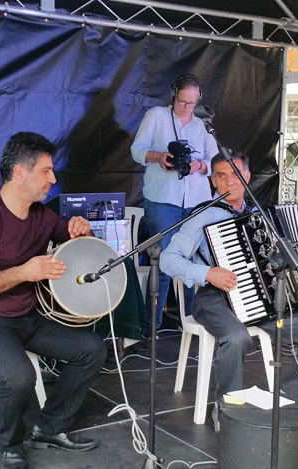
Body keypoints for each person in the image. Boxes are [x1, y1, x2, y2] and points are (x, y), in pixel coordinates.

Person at [0, 132, 106, 469]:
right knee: (21, 376)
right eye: (46, 171)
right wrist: (24, 272)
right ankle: (7, 445)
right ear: (20, 173)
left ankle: (48, 427)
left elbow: (81, 247)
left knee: (92, 349)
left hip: (27, 317)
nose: (53, 178)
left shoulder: (42, 215)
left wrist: (85, 230)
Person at [160, 150, 298, 431]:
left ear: (247, 177)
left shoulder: (262, 216)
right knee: (237, 338)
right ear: (213, 181)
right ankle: (229, 412)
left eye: (235, 175)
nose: (229, 182)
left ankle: (289, 402)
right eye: (221, 176)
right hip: (214, 298)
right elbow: (168, 259)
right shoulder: (203, 215)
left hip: (257, 298)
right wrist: (207, 273)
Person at [131, 74, 219, 337]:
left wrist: (200, 166)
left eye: (192, 103)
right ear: (174, 95)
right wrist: (159, 157)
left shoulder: (202, 124)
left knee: (194, 261)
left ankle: (193, 321)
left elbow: (216, 161)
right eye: (183, 101)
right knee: (168, 259)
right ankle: (151, 326)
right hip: (163, 199)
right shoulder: (157, 116)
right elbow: (137, 150)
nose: (187, 107)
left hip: (196, 202)